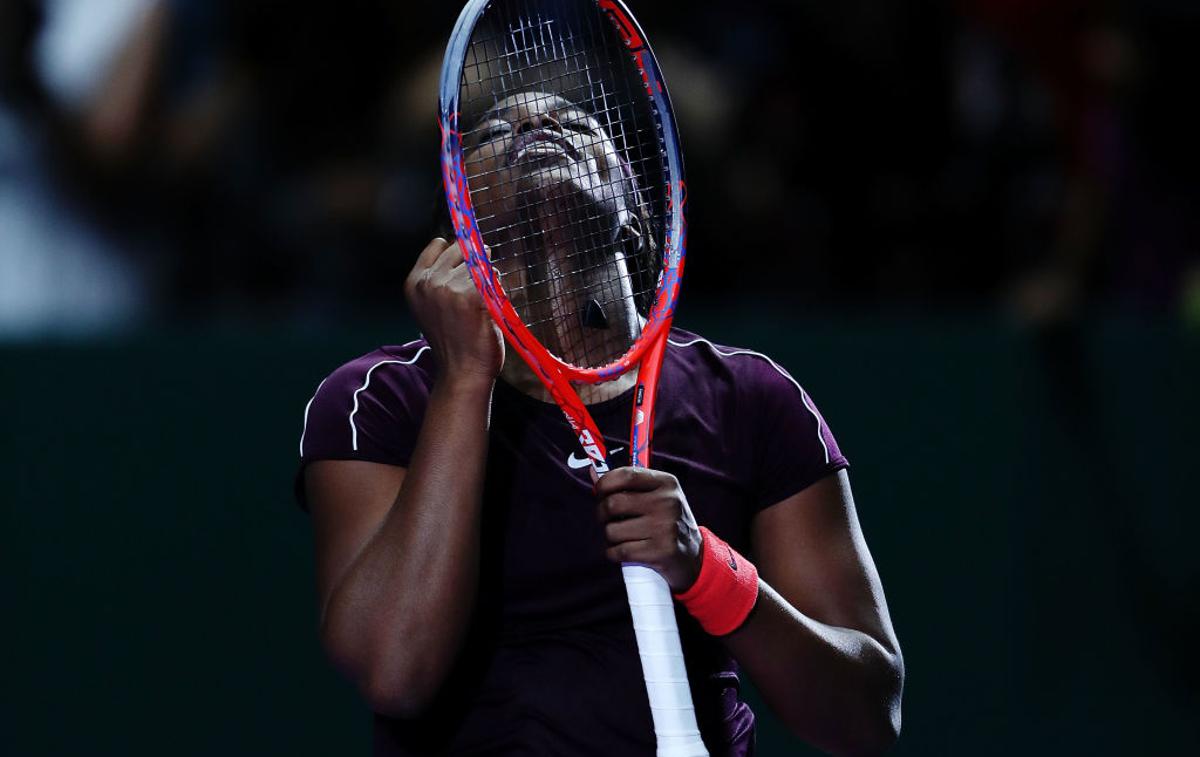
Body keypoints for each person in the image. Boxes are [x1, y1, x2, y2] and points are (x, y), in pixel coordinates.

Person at [296, 91, 904, 756]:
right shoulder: (378, 398)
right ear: (459, 225)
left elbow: (867, 715)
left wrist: (706, 570)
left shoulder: (751, 397)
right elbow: (395, 669)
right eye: (498, 130)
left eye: (575, 122)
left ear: (637, 218)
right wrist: (464, 381)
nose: (535, 126)